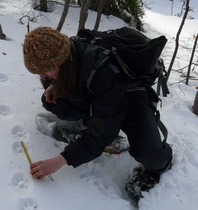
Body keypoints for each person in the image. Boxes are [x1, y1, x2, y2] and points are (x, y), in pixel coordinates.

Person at [22, 27, 172, 194]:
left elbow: (104, 130)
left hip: (131, 96)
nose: (42, 76)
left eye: (45, 70)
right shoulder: (68, 50)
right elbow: (73, 76)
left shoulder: (104, 72)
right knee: (54, 101)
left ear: (61, 61)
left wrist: (60, 160)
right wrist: (55, 85)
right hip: (102, 95)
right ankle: (87, 129)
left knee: (152, 157)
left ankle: (157, 167)